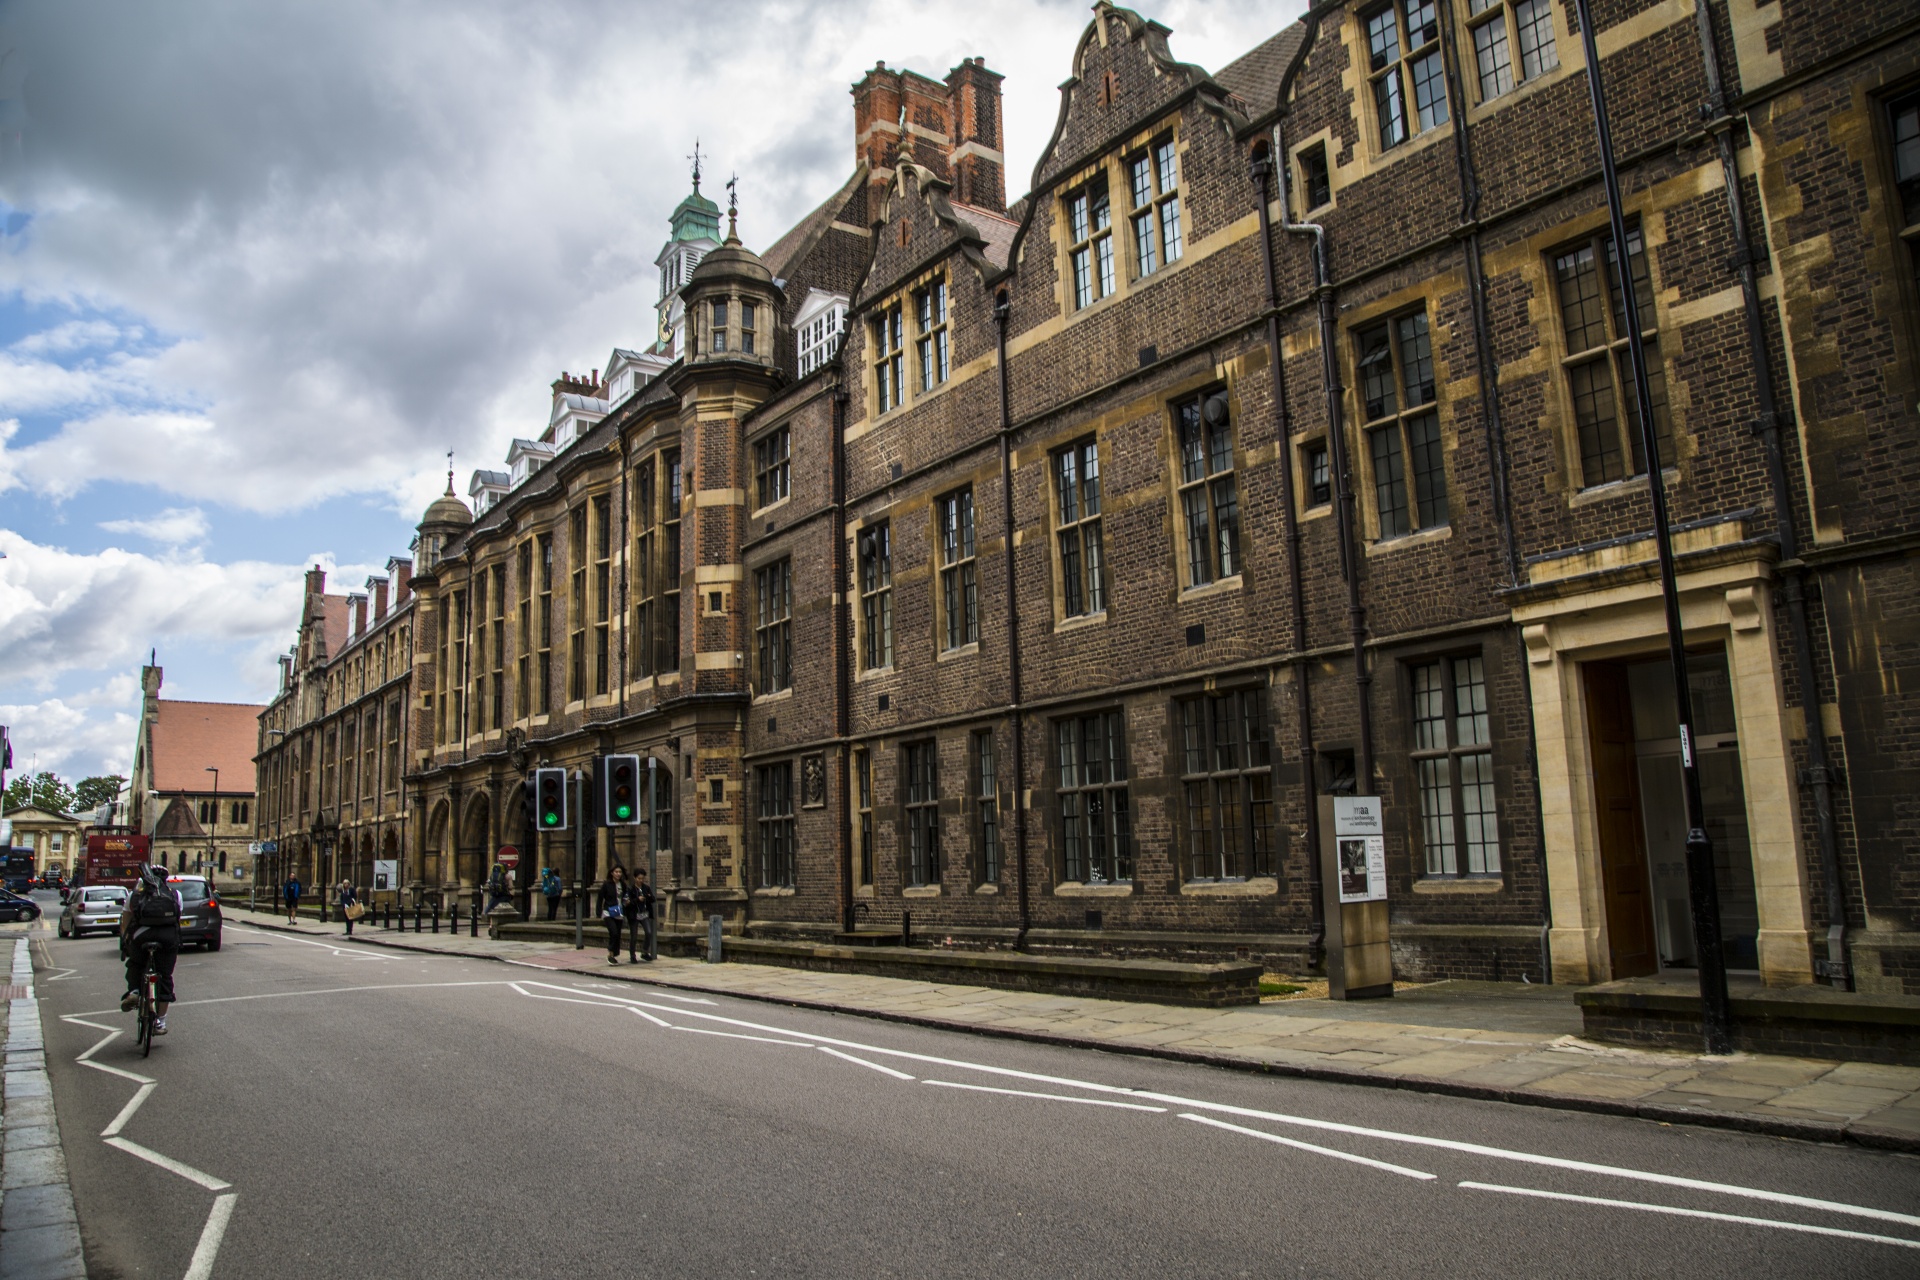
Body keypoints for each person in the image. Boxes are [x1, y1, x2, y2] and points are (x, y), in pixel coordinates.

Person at [119, 866, 182, 1036]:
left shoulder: (135, 895)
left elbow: (126, 920)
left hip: (142, 935)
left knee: (135, 964)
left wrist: (126, 940)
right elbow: (177, 917)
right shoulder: (175, 895)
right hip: (167, 937)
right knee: (165, 976)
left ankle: (134, 991)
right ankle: (160, 1022)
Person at [628, 866, 658, 962]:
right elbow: (627, 902)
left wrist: (647, 897)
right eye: (639, 878)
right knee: (634, 935)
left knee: (648, 932)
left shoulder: (646, 888)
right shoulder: (631, 889)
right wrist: (637, 899)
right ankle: (632, 955)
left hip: (644, 914)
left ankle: (644, 951)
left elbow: (653, 899)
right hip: (634, 915)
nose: (640, 880)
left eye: (642, 878)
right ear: (635, 878)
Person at [598, 865, 627, 964]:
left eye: (620, 872)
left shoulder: (622, 885)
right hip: (608, 912)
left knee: (617, 934)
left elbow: (625, 897)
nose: (618, 874)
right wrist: (599, 912)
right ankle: (610, 952)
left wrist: (626, 902)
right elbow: (600, 898)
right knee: (613, 932)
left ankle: (613, 954)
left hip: (619, 912)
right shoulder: (606, 884)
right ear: (612, 873)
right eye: (616, 872)